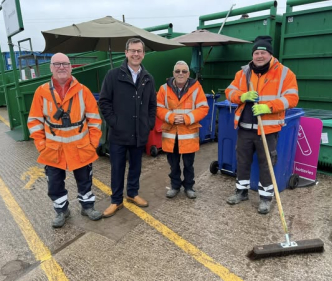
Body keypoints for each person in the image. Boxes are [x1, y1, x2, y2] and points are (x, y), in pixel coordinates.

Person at [225, 36, 299, 214]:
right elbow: (229, 91)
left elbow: (292, 98)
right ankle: (241, 192)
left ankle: (265, 198)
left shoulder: (284, 73)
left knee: (266, 164)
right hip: (244, 128)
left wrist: (269, 106)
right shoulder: (243, 72)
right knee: (242, 162)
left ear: (270, 54)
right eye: (256, 53)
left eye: (263, 52)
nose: (259, 56)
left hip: (268, 129)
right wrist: (241, 96)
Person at [28, 53, 103, 228]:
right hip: (53, 149)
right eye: (57, 64)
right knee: (54, 183)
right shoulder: (41, 92)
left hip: (81, 147)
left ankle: (88, 207)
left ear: (71, 67)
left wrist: (93, 144)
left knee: (85, 180)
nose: (62, 67)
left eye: (65, 64)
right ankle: (61, 211)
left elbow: (94, 120)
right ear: (51, 68)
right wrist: (41, 146)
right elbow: (34, 121)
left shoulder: (83, 91)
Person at [99, 38, 156, 217]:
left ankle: (132, 193)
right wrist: (114, 123)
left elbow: (152, 106)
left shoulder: (148, 78)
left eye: (139, 51)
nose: (136, 54)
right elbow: (104, 102)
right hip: (118, 134)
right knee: (117, 168)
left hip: (139, 133)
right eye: (132, 50)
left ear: (144, 54)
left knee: (136, 167)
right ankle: (116, 201)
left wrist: (148, 124)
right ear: (126, 53)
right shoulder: (113, 75)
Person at [156, 61, 209, 199]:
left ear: (188, 74)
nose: (181, 74)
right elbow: (158, 108)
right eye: (178, 71)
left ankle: (189, 187)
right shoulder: (163, 89)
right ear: (173, 73)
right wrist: (172, 117)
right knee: (173, 164)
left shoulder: (196, 88)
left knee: (188, 164)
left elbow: (203, 108)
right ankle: (175, 186)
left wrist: (186, 118)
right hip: (171, 133)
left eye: (184, 71)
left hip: (188, 133)